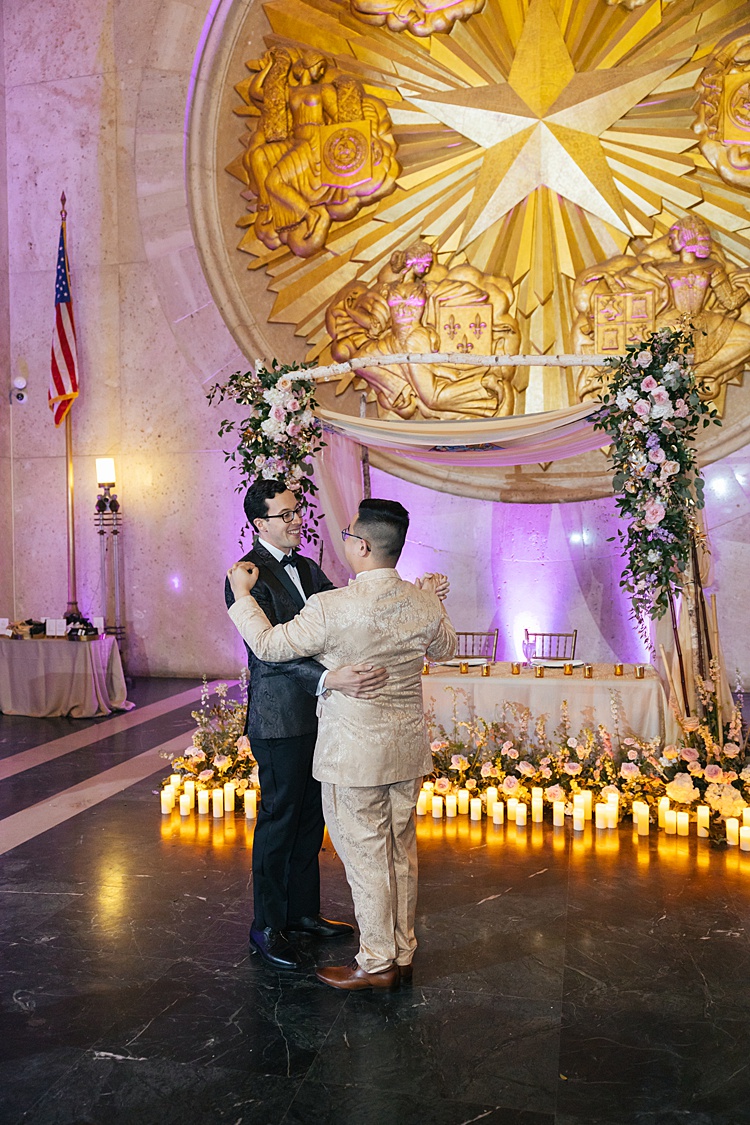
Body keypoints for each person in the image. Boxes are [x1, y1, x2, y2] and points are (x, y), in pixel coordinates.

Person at [227, 498, 457, 990]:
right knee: (400, 853)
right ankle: (402, 950)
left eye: (350, 535)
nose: (345, 540)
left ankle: (376, 964)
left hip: (353, 757)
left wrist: (241, 597)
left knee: (367, 858)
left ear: (364, 546)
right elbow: (445, 648)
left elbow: (268, 646)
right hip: (406, 750)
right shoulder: (421, 602)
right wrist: (434, 598)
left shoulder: (332, 606)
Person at [225, 479, 389, 971]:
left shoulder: (310, 566)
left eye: (298, 511)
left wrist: (397, 592)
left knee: (311, 818)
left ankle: (303, 914)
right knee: (279, 821)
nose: (298, 520)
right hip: (279, 720)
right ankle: (267, 925)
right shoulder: (245, 576)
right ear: (260, 525)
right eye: (286, 515)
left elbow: (341, 618)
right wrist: (329, 678)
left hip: (320, 716)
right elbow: (271, 652)